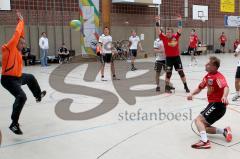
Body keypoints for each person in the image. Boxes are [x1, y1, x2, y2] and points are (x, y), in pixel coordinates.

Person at [1, 11, 46, 135]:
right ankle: (14, 124)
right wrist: (21, 21)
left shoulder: (18, 48)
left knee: (30, 77)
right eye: (22, 43)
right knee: (21, 97)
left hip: (18, 77)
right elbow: (17, 34)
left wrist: (22, 23)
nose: (24, 45)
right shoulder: (10, 48)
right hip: (8, 80)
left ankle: (38, 96)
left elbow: (21, 35)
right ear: (17, 43)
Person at [187, 56, 232, 149]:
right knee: (204, 127)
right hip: (215, 105)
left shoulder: (218, 77)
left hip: (218, 104)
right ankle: (224, 131)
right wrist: (191, 93)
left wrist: (224, 96)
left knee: (198, 120)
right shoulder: (207, 77)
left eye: (208, 64)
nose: (205, 65)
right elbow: (199, 88)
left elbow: (225, 87)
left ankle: (205, 142)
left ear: (214, 67)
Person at [155, 15, 190, 93]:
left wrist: (180, 21)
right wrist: (157, 21)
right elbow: (158, 31)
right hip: (169, 58)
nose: (167, 33)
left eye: (169, 32)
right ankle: (167, 88)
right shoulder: (164, 38)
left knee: (181, 73)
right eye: (167, 32)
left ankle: (185, 86)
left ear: (172, 33)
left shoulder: (176, 37)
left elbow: (180, 29)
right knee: (168, 74)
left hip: (177, 58)